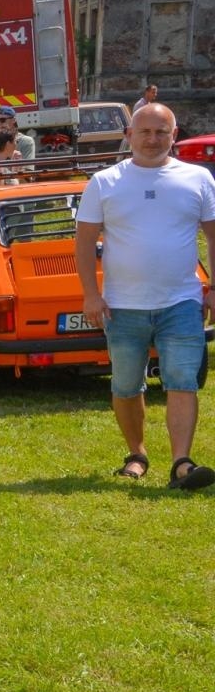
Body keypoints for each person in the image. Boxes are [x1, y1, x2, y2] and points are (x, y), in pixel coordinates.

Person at [75, 102, 215, 490]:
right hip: (122, 306)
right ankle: (137, 454)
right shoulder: (104, 182)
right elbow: (84, 242)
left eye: (161, 132)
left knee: (182, 380)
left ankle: (182, 464)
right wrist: (90, 294)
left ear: (175, 135)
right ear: (129, 135)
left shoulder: (198, 178)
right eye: (145, 132)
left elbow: (213, 235)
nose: (153, 140)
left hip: (182, 302)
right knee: (125, 386)